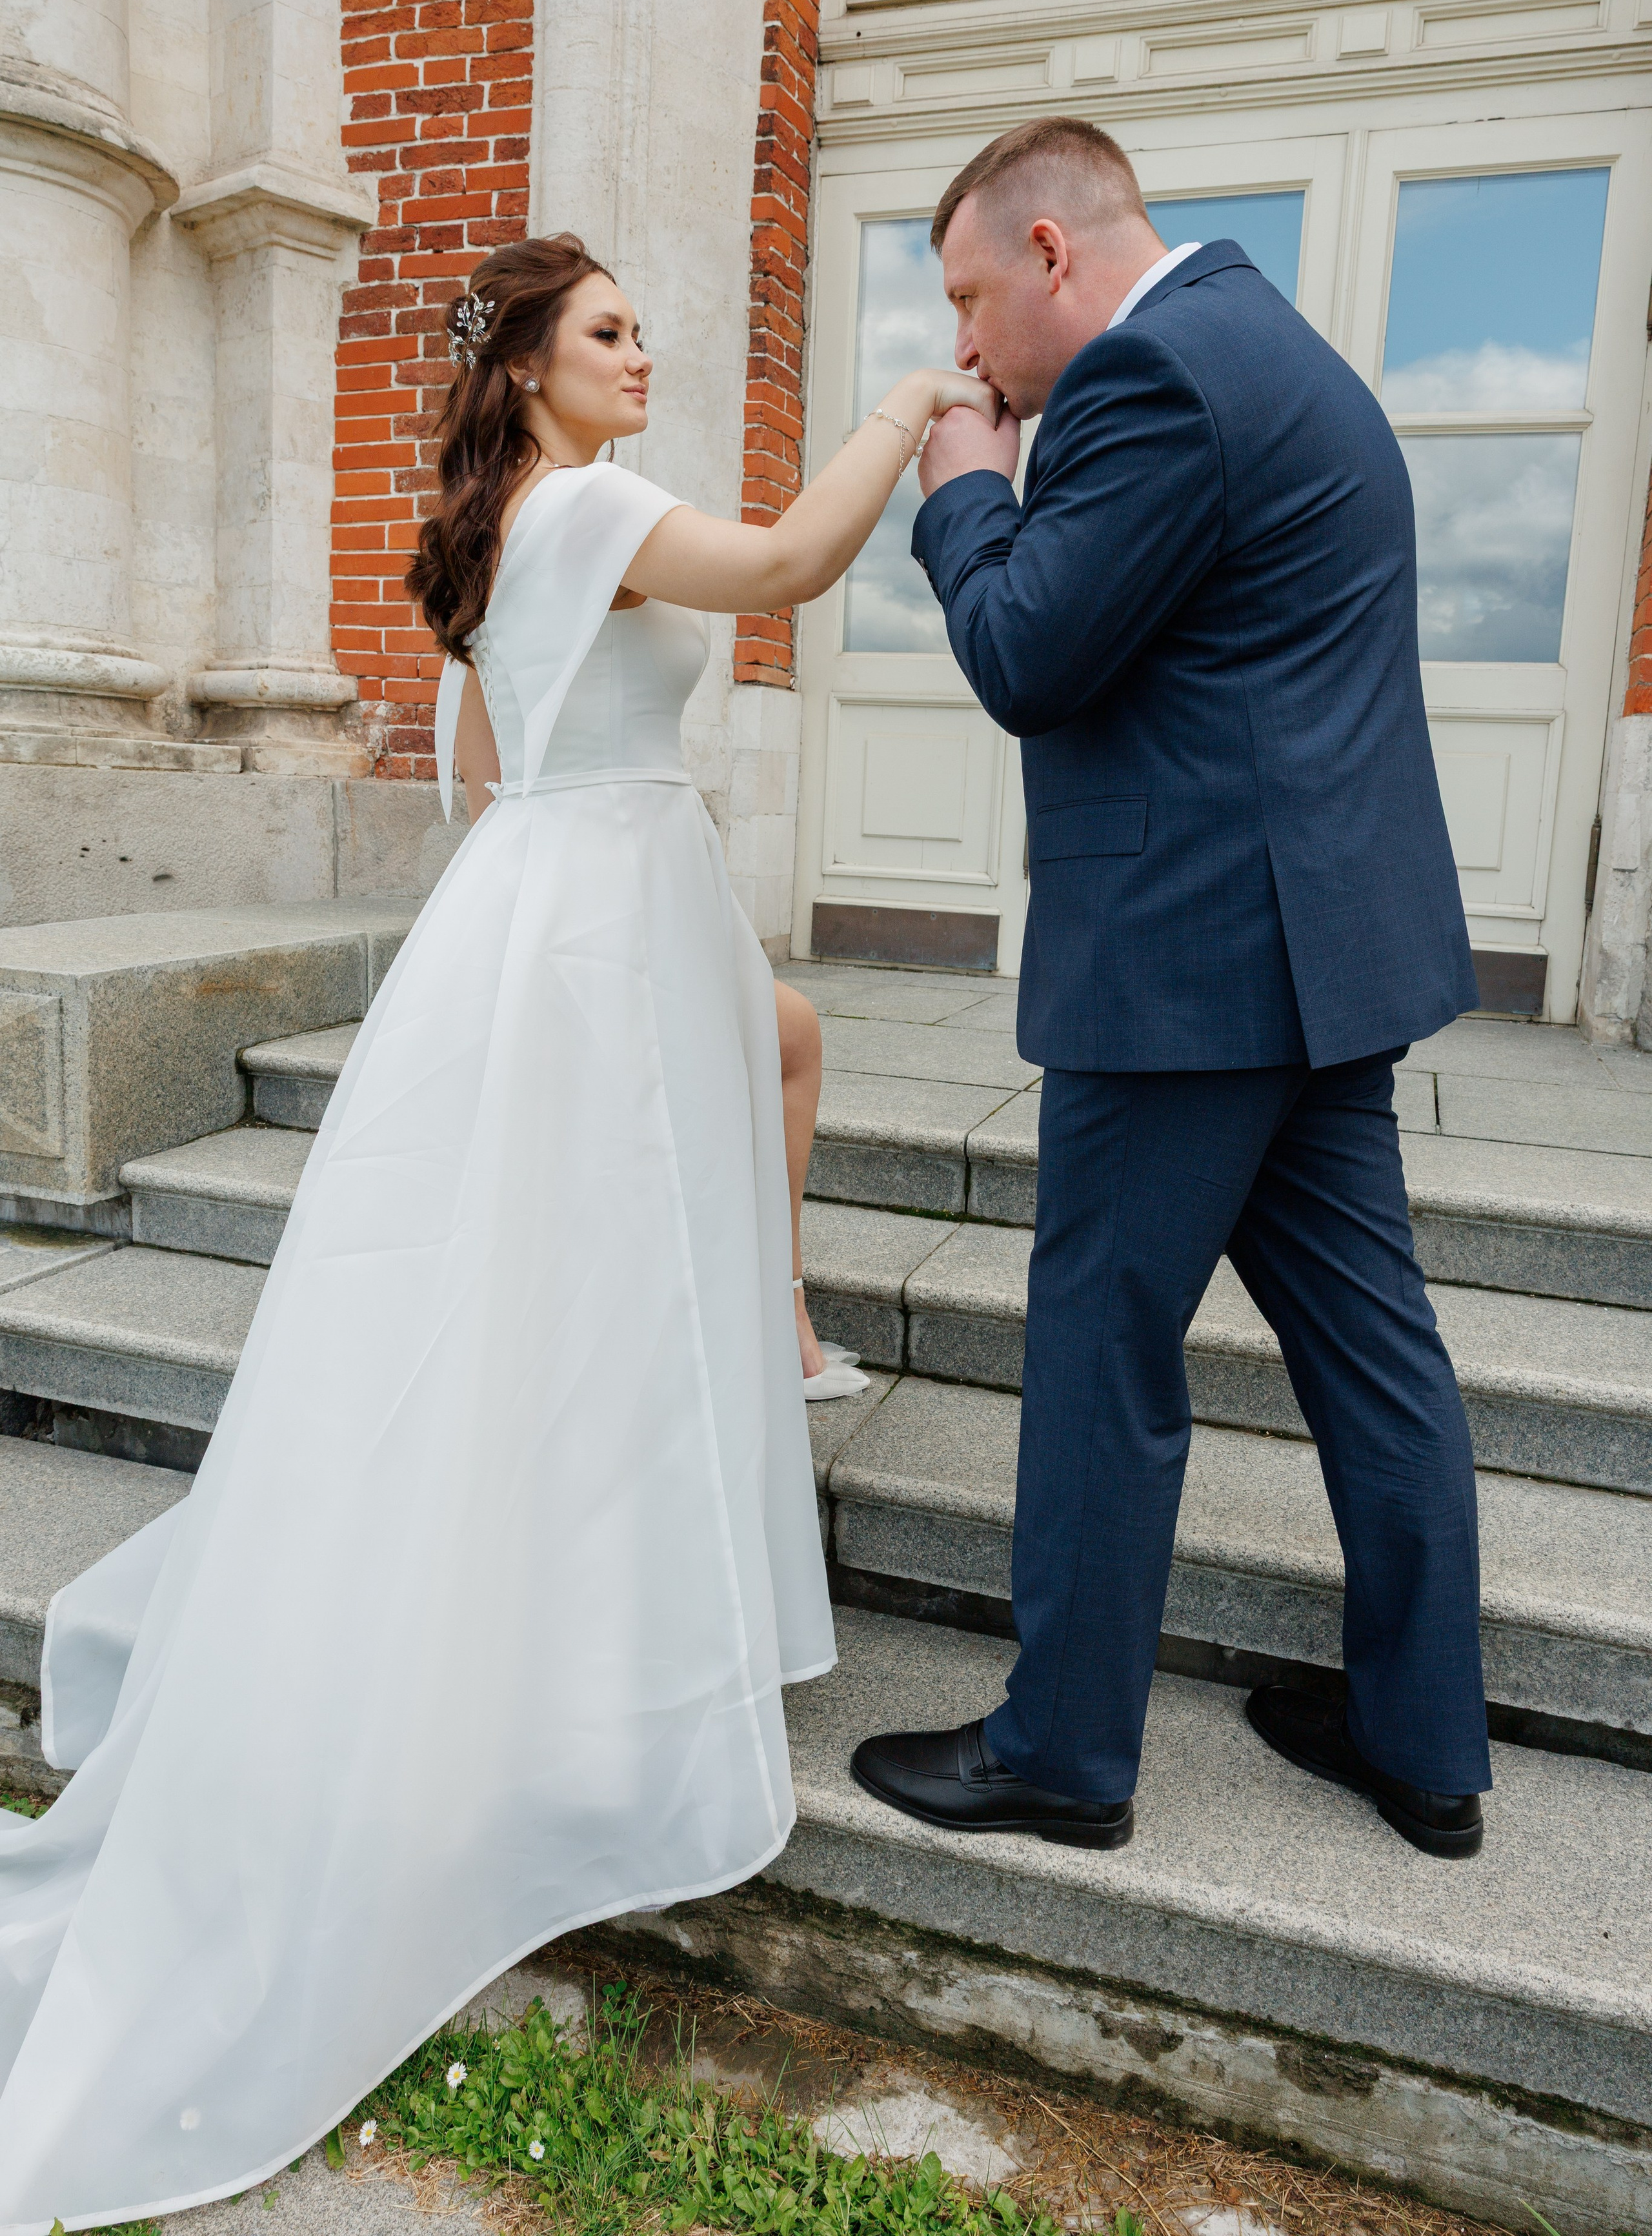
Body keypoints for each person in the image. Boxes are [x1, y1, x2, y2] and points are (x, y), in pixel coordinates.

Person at [0, 233, 991, 2228]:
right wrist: (922, 402)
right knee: (585, 1308)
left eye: (646, 323)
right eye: (612, 328)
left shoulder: (512, 520)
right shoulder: (601, 502)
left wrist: (582, 855)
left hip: (564, 890)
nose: (648, 350)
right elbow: (795, 567)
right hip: (601, 903)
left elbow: (478, 758)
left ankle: (674, 1472)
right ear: (533, 365)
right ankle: (577, 1670)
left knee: (604, 1253)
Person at [849, 119, 1491, 1864]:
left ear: (1055, 252)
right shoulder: (1286, 351)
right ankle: (1426, 1742)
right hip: (1324, 955)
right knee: (1379, 1357)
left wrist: (964, 484)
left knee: (1102, 1351)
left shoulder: (1150, 381)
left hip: (1191, 971)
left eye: (977, 301)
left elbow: (1029, 653)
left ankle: (1063, 1756)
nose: (970, 348)